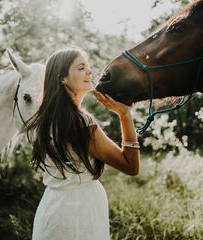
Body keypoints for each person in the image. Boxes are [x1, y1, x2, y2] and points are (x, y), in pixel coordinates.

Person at [26, 47, 140, 240]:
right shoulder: (80, 123)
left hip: (52, 206)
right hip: (79, 211)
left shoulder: (45, 119)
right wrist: (124, 115)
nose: (89, 72)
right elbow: (130, 165)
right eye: (81, 68)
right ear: (63, 78)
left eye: (87, 66)